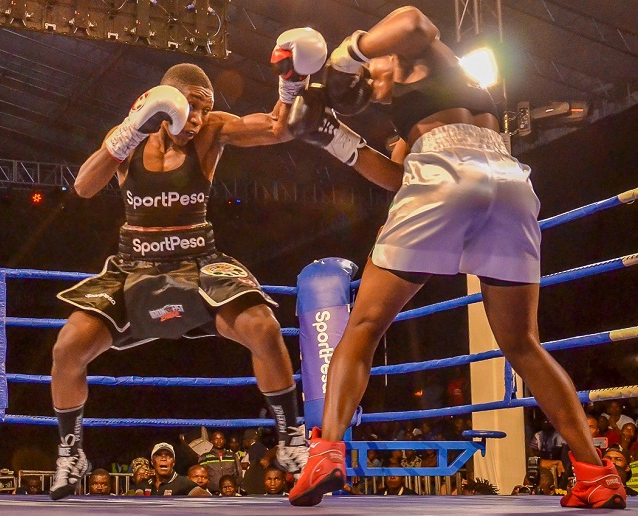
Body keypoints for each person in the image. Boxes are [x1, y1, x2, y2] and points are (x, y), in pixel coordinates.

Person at [287, 6, 628, 510]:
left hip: (444, 175)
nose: (370, 92)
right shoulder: (423, 107)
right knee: (523, 343)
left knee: (362, 327)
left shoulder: (407, 52)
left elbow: (414, 20)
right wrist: (335, 139)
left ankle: (327, 451)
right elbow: (395, 175)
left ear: (373, 59)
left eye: (366, 79)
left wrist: (349, 51)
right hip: (509, 183)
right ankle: (597, 475)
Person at [48, 27, 328, 500]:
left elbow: (279, 127)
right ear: (162, 100)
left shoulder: (214, 129)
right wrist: (129, 131)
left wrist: (290, 81)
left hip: (199, 262)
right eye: (189, 105)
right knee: (67, 349)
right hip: (132, 267)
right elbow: (83, 187)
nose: (196, 116)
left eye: (204, 105)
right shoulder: (130, 135)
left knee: (262, 326)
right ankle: (71, 451)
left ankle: (291, 439)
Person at [138, 443, 210, 496]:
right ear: (152, 462)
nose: (164, 458)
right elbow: (136, 502)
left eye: (168, 456)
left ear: (173, 463)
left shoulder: (183, 483)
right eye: (159, 456)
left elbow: (206, 497)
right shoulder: (145, 483)